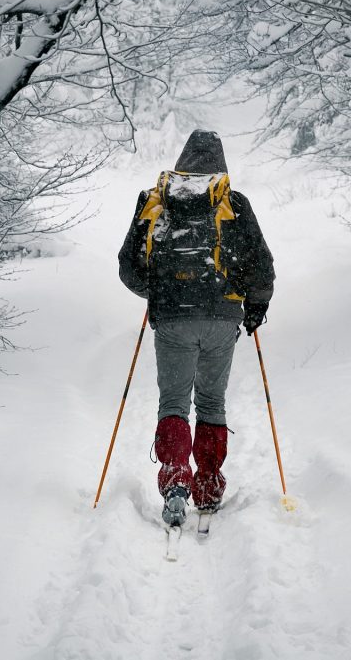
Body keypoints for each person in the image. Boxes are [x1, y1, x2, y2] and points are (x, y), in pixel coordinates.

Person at [118, 129, 275, 526]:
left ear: (183, 161)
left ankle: (174, 484)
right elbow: (261, 266)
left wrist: (157, 291)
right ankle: (207, 485)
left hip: (172, 320)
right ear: (221, 166)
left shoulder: (156, 203)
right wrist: (255, 308)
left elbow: (128, 266)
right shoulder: (234, 203)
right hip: (223, 319)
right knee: (211, 402)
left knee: (173, 403)